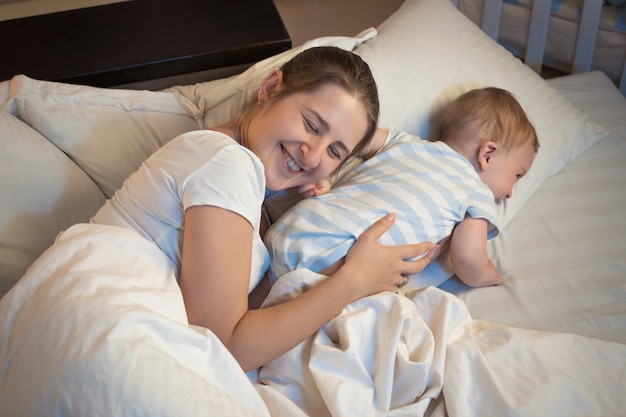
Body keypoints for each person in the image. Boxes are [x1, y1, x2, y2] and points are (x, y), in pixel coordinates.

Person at [90, 46, 438, 372]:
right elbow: (223, 345)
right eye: (312, 125)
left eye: (335, 152)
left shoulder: (242, 183)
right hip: (109, 331)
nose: (313, 156)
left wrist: (291, 207)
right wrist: (354, 280)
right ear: (270, 87)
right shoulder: (228, 163)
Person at [265, 87, 538, 288]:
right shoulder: (475, 193)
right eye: (517, 174)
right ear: (488, 154)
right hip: (338, 267)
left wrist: (328, 172)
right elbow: (468, 258)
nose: (511, 192)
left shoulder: (405, 142)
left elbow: (356, 137)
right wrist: (489, 274)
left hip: (294, 231)